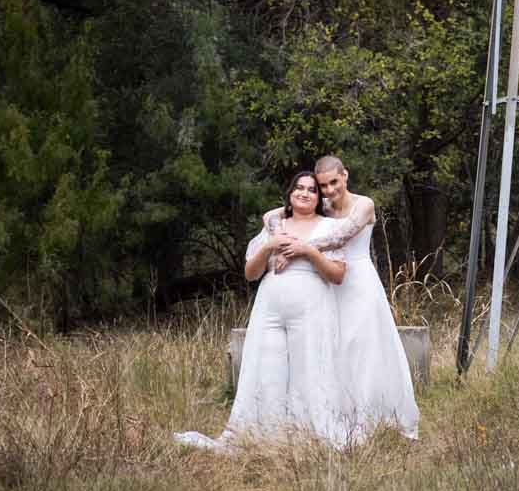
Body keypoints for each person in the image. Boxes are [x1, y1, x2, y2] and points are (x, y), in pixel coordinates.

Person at [175, 170, 350, 450]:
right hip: (269, 307)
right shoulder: (274, 227)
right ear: (290, 194)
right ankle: (268, 434)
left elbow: (338, 275)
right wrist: (269, 246)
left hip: (311, 307)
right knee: (267, 367)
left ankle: (309, 435)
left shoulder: (328, 229)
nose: (304, 193)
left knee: (308, 367)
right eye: (298, 188)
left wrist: (309, 251)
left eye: (312, 190)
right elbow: (250, 274)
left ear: (319, 198)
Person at [259, 154, 419, 441]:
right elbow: (270, 216)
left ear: (345, 175)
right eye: (323, 186)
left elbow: (340, 237)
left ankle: (371, 419)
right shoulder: (326, 207)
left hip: (359, 283)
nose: (330, 190)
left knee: (362, 348)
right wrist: (280, 241)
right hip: (328, 283)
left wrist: (295, 248)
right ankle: (339, 416)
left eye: (334, 182)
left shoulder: (364, 204)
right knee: (335, 349)